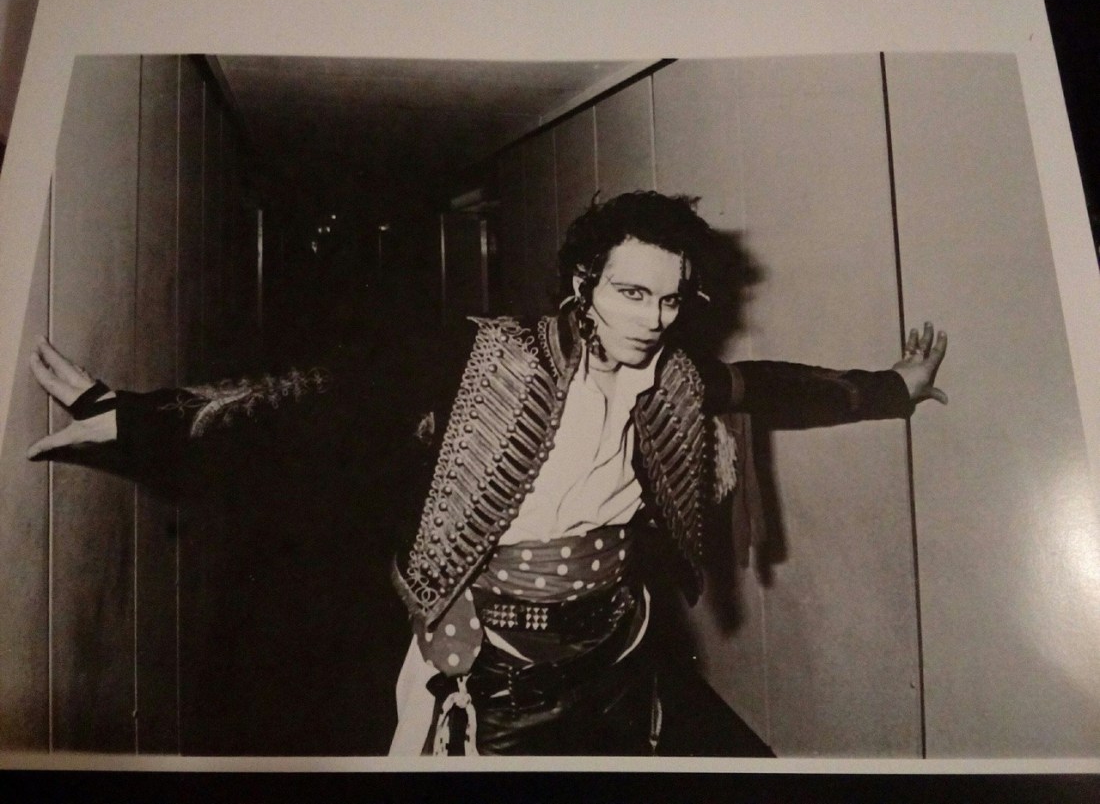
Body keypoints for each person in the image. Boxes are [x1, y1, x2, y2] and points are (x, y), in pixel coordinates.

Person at [28, 191, 947, 757]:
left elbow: (770, 385)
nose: (654, 318)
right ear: (582, 284)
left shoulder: (674, 378)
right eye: (632, 293)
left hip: (620, 651)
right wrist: (139, 414)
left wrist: (891, 388)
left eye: (671, 298)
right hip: (495, 671)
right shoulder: (492, 360)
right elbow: (318, 396)